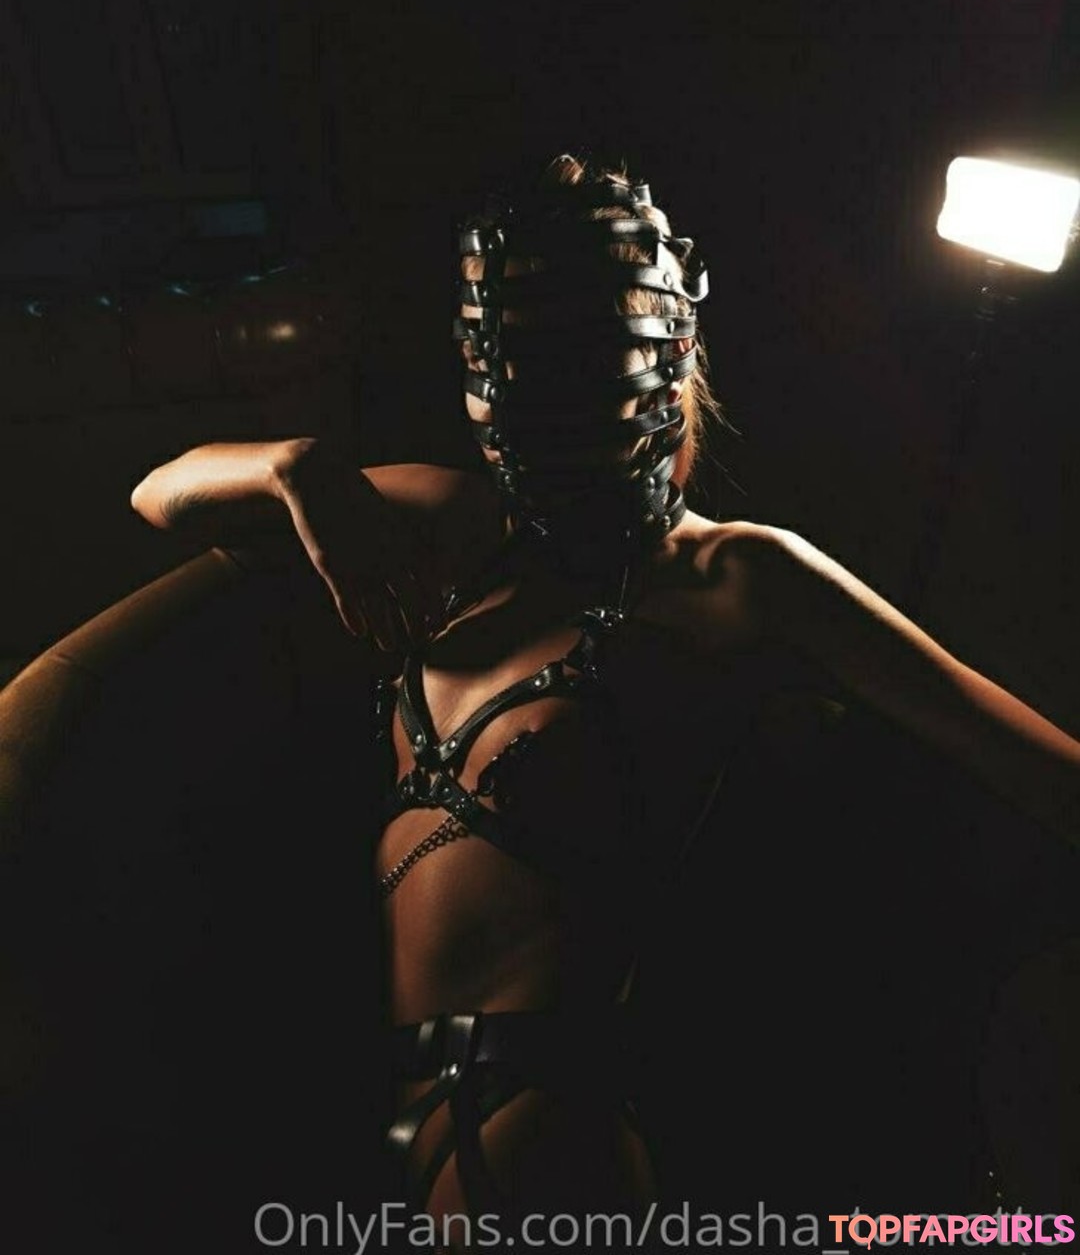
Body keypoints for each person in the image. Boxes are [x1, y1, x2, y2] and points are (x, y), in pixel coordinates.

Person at [129, 154, 1080, 1249]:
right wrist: (294, 468)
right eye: (521, 352)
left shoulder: (735, 577)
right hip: (373, 1119)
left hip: (551, 1123)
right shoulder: (451, 526)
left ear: (663, 354)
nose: (546, 390)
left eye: (582, 349)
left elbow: (1042, 772)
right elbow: (159, 493)